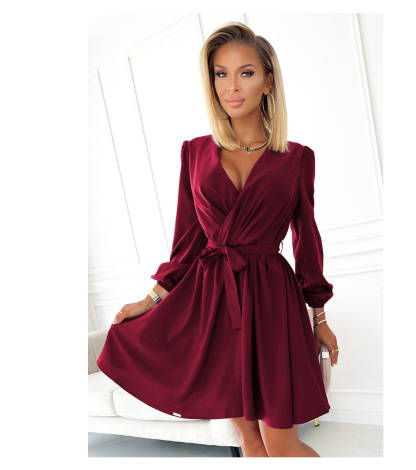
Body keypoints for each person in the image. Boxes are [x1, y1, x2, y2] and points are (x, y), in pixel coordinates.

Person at [97, 22, 339, 458]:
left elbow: (307, 240)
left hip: (272, 302)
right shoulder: (194, 152)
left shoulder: (297, 159)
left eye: (246, 73)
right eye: (220, 74)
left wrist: (318, 316)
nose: (231, 86)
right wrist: (149, 300)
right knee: (250, 441)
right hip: (215, 304)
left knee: (282, 444)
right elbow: (187, 241)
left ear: (268, 81)